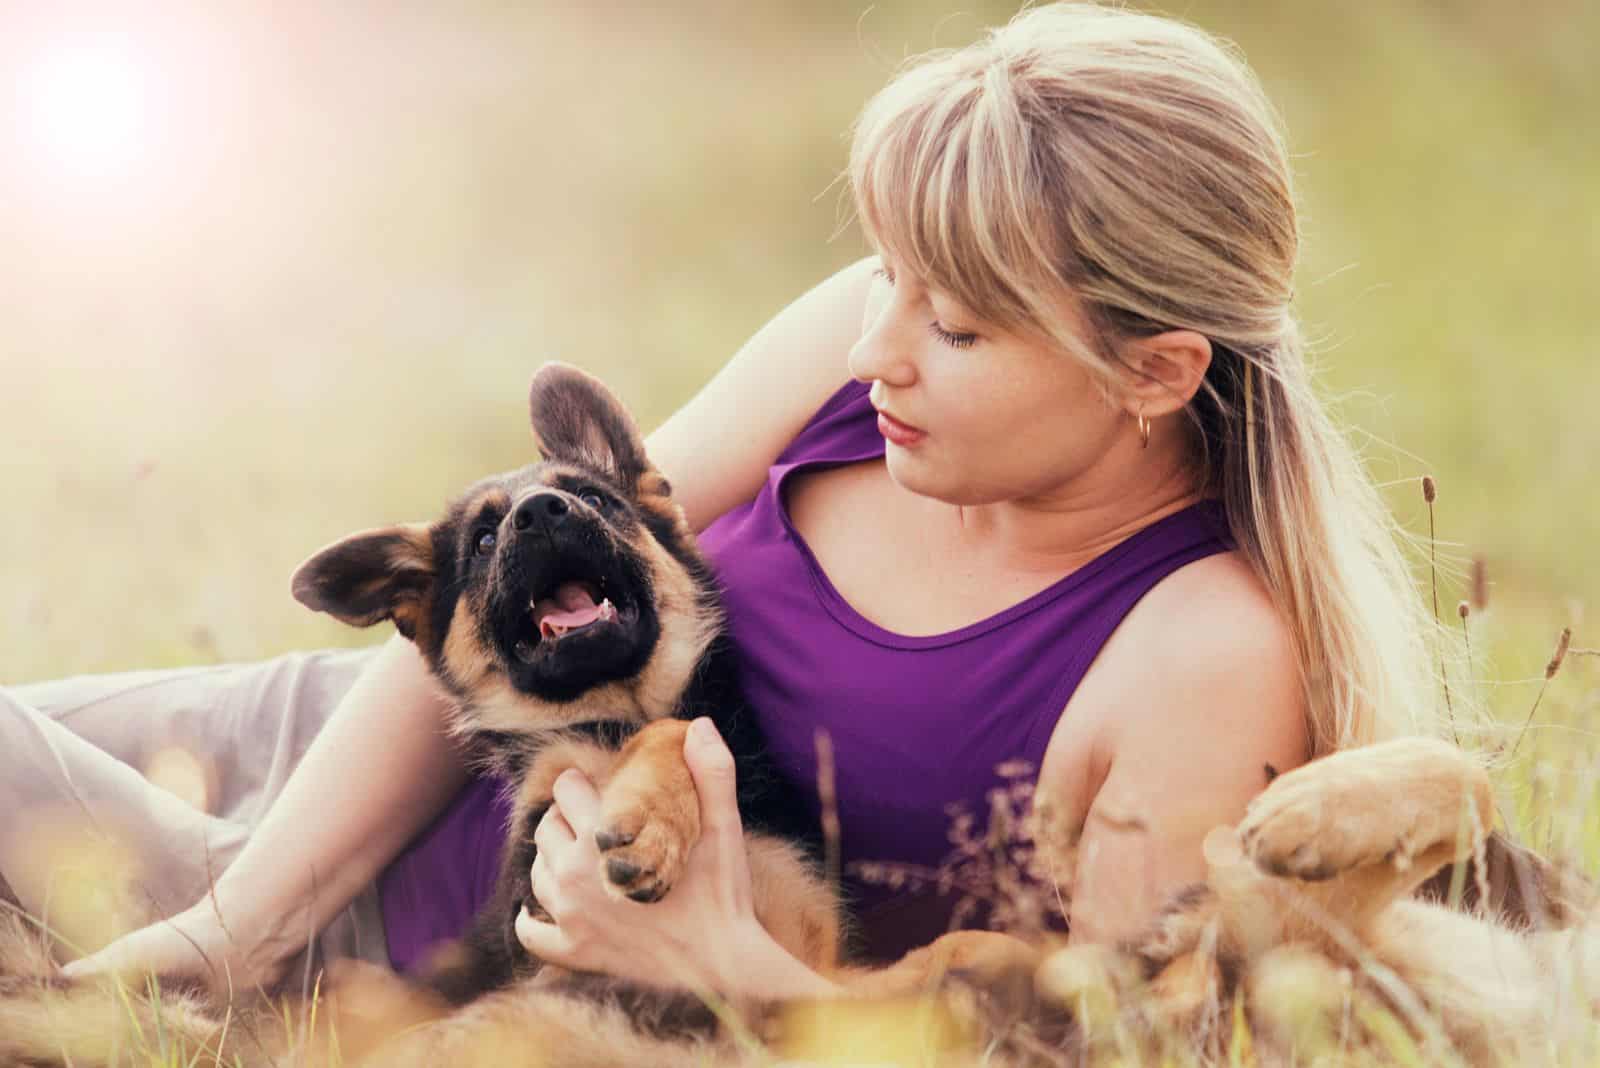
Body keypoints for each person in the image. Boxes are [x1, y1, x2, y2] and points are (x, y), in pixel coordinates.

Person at [3, 2, 1447, 1001]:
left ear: (1155, 371)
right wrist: (236, 922)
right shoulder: (866, 348)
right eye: (890, 276)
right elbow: (484, 602)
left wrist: (728, 973)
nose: (877, 348)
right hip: (330, 766)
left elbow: (1088, 1037)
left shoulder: (1203, 657)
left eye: (957, 329)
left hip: (418, 956)